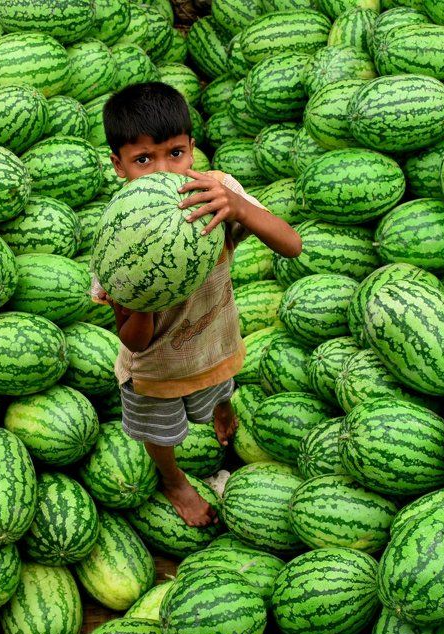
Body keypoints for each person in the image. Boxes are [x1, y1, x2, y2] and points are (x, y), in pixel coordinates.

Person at [95, 82, 302, 527]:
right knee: (161, 433)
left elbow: (292, 244)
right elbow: (134, 341)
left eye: (175, 153)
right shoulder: (119, 236)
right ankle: (172, 480)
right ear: (119, 166)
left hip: (215, 339)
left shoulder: (216, 193)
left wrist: (240, 208)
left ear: (193, 149)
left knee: (219, 385)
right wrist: (139, 298)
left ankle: (220, 409)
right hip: (156, 370)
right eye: (143, 160)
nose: (163, 170)